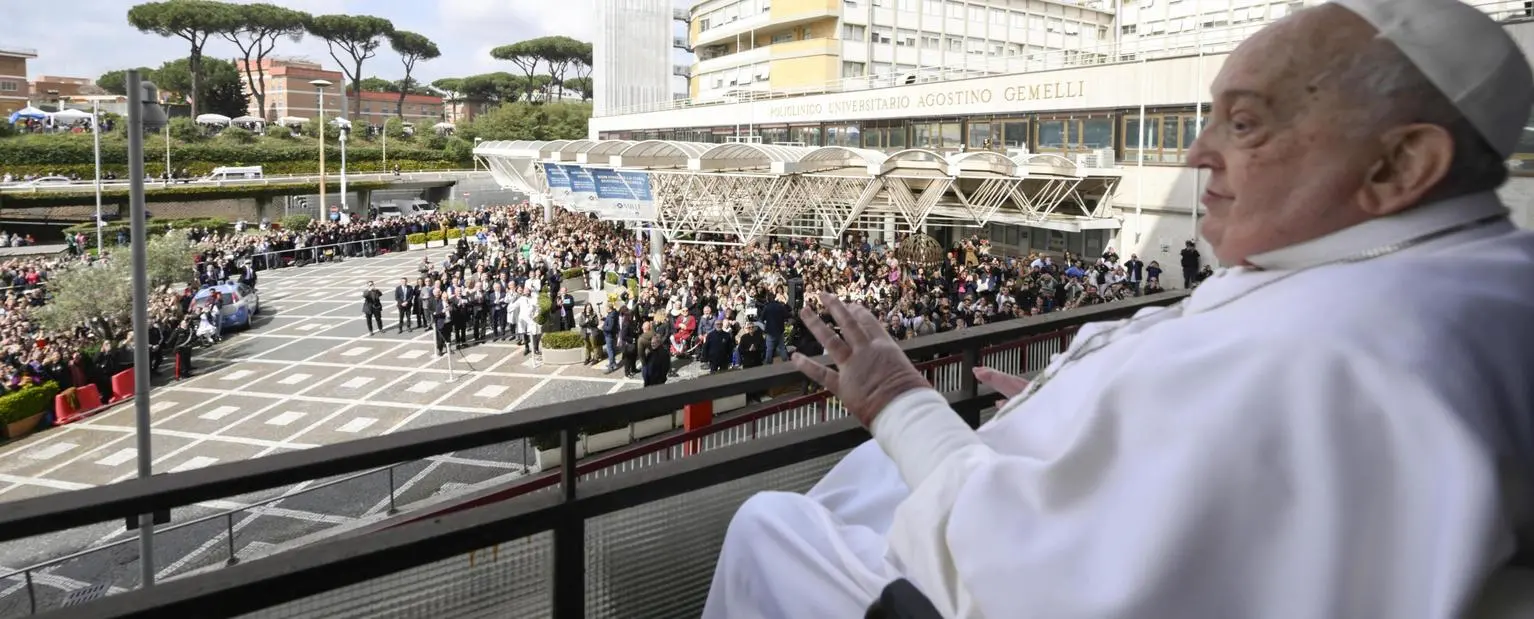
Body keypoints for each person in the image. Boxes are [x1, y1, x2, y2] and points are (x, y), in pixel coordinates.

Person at [702, 1, 1534, 617]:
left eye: (1243, 122)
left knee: (772, 525)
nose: (1200, 151)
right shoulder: (1456, 270)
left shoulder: (1329, 347)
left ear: (1400, 164)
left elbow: (1032, 576)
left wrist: (894, 395)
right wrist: (1081, 414)